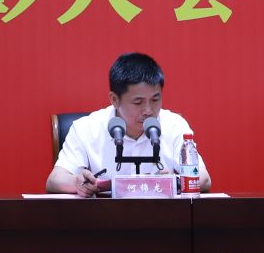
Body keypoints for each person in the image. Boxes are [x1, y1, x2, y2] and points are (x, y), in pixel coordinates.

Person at [46, 52, 209, 197]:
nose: (148, 110)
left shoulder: (174, 125)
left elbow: (203, 177)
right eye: (138, 102)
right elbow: (54, 179)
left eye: (155, 99)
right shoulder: (86, 128)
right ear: (114, 100)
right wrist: (76, 182)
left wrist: (175, 182)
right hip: (104, 216)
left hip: (161, 216)